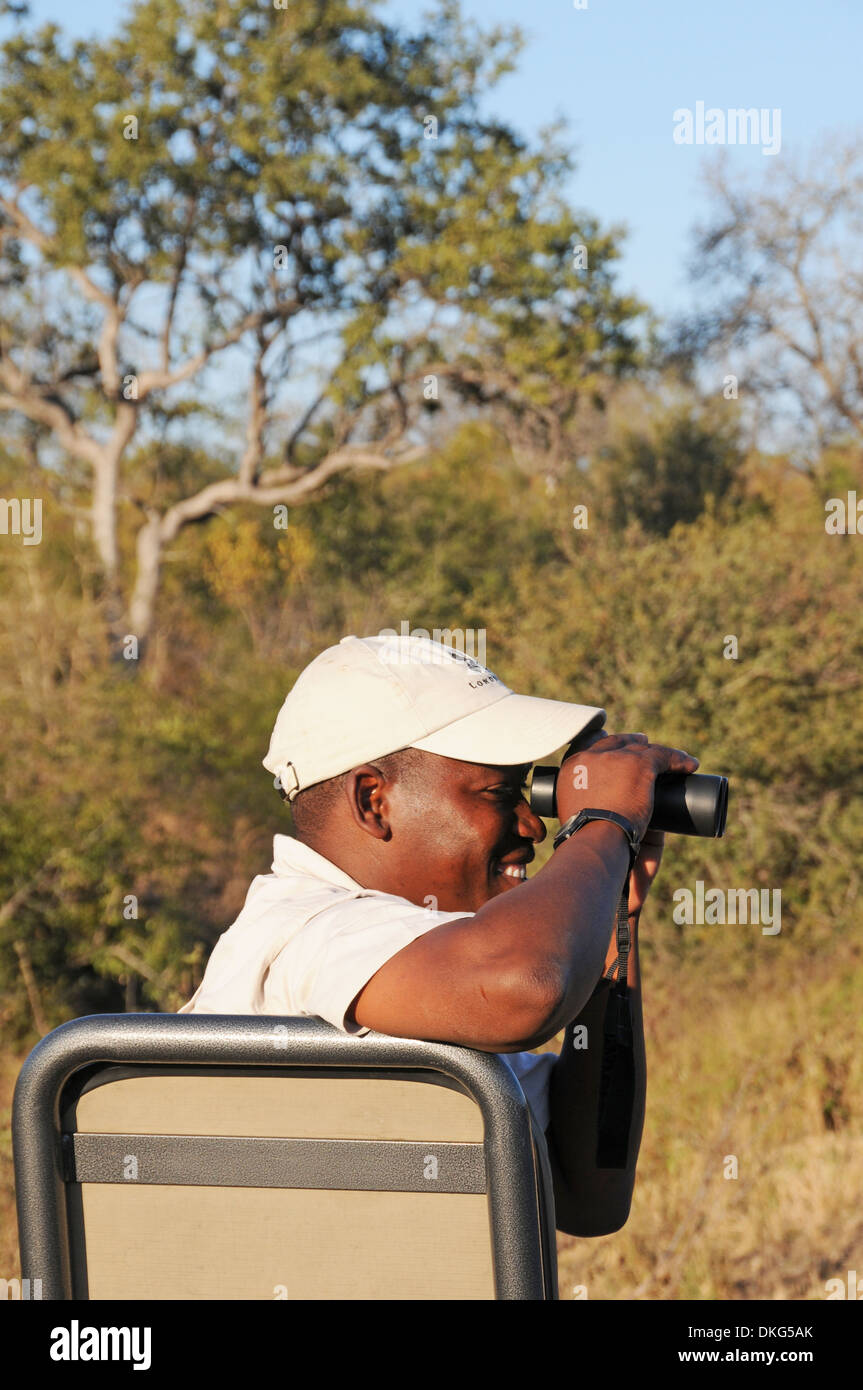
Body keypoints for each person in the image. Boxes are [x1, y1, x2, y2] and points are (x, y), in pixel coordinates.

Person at [179, 632, 697, 1236]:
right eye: (502, 793)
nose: (533, 824)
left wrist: (614, 925)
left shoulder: (417, 975)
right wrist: (604, 824)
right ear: (374, 801)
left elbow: (589, 1194)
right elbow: (525, 987)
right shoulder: (303, 930)